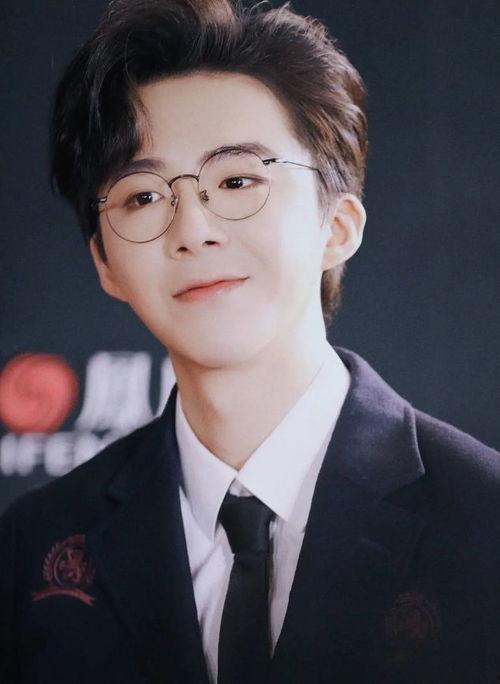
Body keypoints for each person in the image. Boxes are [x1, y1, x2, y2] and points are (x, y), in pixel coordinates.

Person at [1, 0, 499, 682]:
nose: (192, 230)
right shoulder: (31, 552)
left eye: (236, 181)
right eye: (142, 196)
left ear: (338, 225)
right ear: (104, 263)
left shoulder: (483, 524)